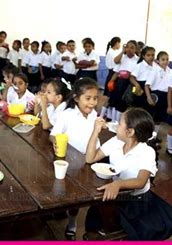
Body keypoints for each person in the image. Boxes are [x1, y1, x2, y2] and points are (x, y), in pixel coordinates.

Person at [84, 108, 172, 240]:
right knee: (98, 220)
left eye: (119, 124)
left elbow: (141, 181)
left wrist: (118, 184)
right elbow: (90, 158)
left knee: (133, 234)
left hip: (136, 202)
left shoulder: (147, 152)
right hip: (115, 195)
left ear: (130, 132)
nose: (116, 125)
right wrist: (95, 132)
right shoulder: (116, 142)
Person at [49, 78, 100, 240]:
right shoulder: (67, 115)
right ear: (77, 98)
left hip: (90, 161)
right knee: (68, 192)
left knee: (77, 197)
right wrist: (56, 143)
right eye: (88, 98)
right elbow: (53, 135)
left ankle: (72, 223)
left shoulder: (94, 114)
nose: (92, 103)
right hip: (71, 161)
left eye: (95, 98)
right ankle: (60, 211)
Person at [107, 40, 139, 122]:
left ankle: (121, 122)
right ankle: (114, 122)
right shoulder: (122, 58)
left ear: (136, 49)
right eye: (127, 47)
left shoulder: (138, 60)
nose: (129, 49)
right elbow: (116, 69)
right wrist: (111, 82)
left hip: (131, 84)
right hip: (120, 83)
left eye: (132, 47)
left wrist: (130, 74)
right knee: (116, 102)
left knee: (127, 103)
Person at [145, 51, 172, 123]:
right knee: (153, 118)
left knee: (161, 118)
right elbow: (146, 85)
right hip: (157, 95)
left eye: (167, 59)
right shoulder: (154, 70)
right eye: (163, 59)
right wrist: (149, 97)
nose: (165, 61)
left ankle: (156, 132)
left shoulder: (170, 71)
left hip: (167, 96)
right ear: (158, 61)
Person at [101, 37, 121, 120]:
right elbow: (117, 63)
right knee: (109, 97)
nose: (119, 45)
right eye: (119, 43)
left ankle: (108, 115)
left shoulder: (112, 51)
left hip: (112, 74)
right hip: (113, 74)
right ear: (116, 43)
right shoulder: (112, 53)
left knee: (111, 97)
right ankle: (101, 115)